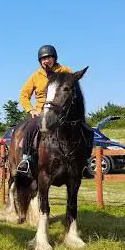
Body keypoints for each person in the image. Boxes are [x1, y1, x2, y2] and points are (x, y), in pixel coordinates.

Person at [17, 45, 72, 174]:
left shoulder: (65, 71)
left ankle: (82, 157)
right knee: (30, 126)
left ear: (54, 58)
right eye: (43, 59)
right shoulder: (36, 76)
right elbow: (24, 94)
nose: (46, 61)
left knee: (81, 126)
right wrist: (31, 109)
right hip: (42, 111)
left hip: (62, 111)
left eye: (48, 57)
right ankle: (26, 159)